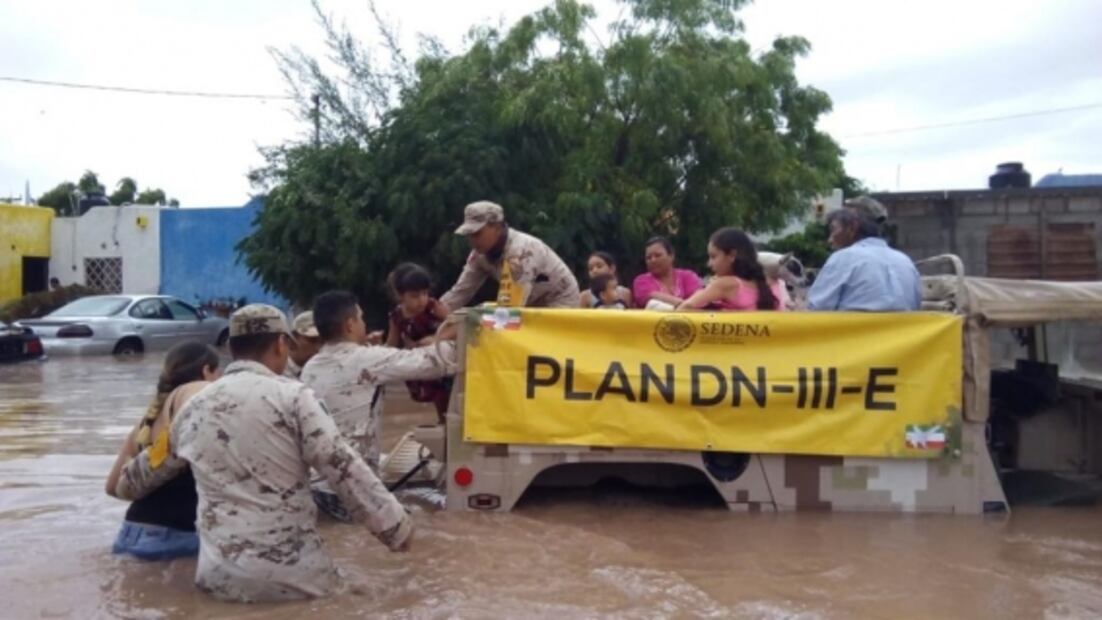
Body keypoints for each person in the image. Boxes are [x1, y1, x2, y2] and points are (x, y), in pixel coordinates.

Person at [113, 304, 412, 603]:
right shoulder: (295, 398)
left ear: (231, 347)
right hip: (295, 579)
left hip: (219, 580)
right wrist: (398, 530)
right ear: (281, 344)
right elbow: (345, 471)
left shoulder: (193, 409)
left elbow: (132, 482)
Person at [303, 290, 457, 471]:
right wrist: (453, 328)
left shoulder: (310, 368)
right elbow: (434, 362)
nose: (364, 324)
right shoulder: (365, 360)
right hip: (352, 476)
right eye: (361, 318)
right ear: (350, 325)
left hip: (318, 475)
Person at [105, 341, 220, 561]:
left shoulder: (147, 420)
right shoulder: (197, 390)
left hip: (131, 532)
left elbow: (112, 487)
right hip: (177, 536)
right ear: (206, 371)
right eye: (217, 373)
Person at [439, 201, 580, 311]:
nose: (472, 240)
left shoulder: (521, 251)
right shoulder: (479, 255)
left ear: (497, 227)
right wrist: (435, 310)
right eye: (469, 235)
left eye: (477, 233)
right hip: (529, 303)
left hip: (560, 302)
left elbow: (510, 307)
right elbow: (462, 290)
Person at [807, 196, 922, 311]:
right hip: (902, 329)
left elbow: (815, 312)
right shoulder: (905, 262)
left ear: (852, 227)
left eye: (833, 229)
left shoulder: (843, 258)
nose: (830, 240)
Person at [385, 263, 453, 423]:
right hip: (420, 364)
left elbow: (458, 326)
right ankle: (442, 424)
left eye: (424, 293)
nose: (422, 300)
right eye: (415, 296)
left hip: (442, 361)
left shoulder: (434, 308)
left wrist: (437, 337)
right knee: (438, 402)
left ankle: (447, 426)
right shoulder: (397, 316)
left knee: (449, 398)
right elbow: (392, 343)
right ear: (401, 296)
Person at [678, 228, 785, 311]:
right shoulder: (775, 283)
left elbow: (686, 306)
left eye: (713, 256)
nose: (709, 264)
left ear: (732, 255)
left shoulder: (726, 284)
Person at [632, 236, 703, 309]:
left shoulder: (688, 276)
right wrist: (686, 305)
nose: (653, 260)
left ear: (671, 256)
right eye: (648, 257)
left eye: (658, 255)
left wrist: (688, 305)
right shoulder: (641, 281)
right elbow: (652, 296)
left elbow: (698, 300)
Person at [284, 311, 322, 380]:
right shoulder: (278, 372)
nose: (319, 347)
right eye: (313, 341)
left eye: (322, 341)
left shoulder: (324, 368)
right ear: (291, 341)